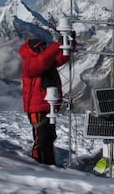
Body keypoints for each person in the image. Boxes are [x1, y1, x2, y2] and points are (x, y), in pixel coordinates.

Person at [18, 36, 73, 165]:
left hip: (48, 106)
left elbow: (60, 58)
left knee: (49, 137)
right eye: (41, 47)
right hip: (37, 109)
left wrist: (69, 44)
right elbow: (42, 62)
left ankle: (48, 164)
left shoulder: (44, 62)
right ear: (34, 49)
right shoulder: (30, 63)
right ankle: (39, 165)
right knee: (42, 139)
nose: (44, 49)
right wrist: (56, 45)